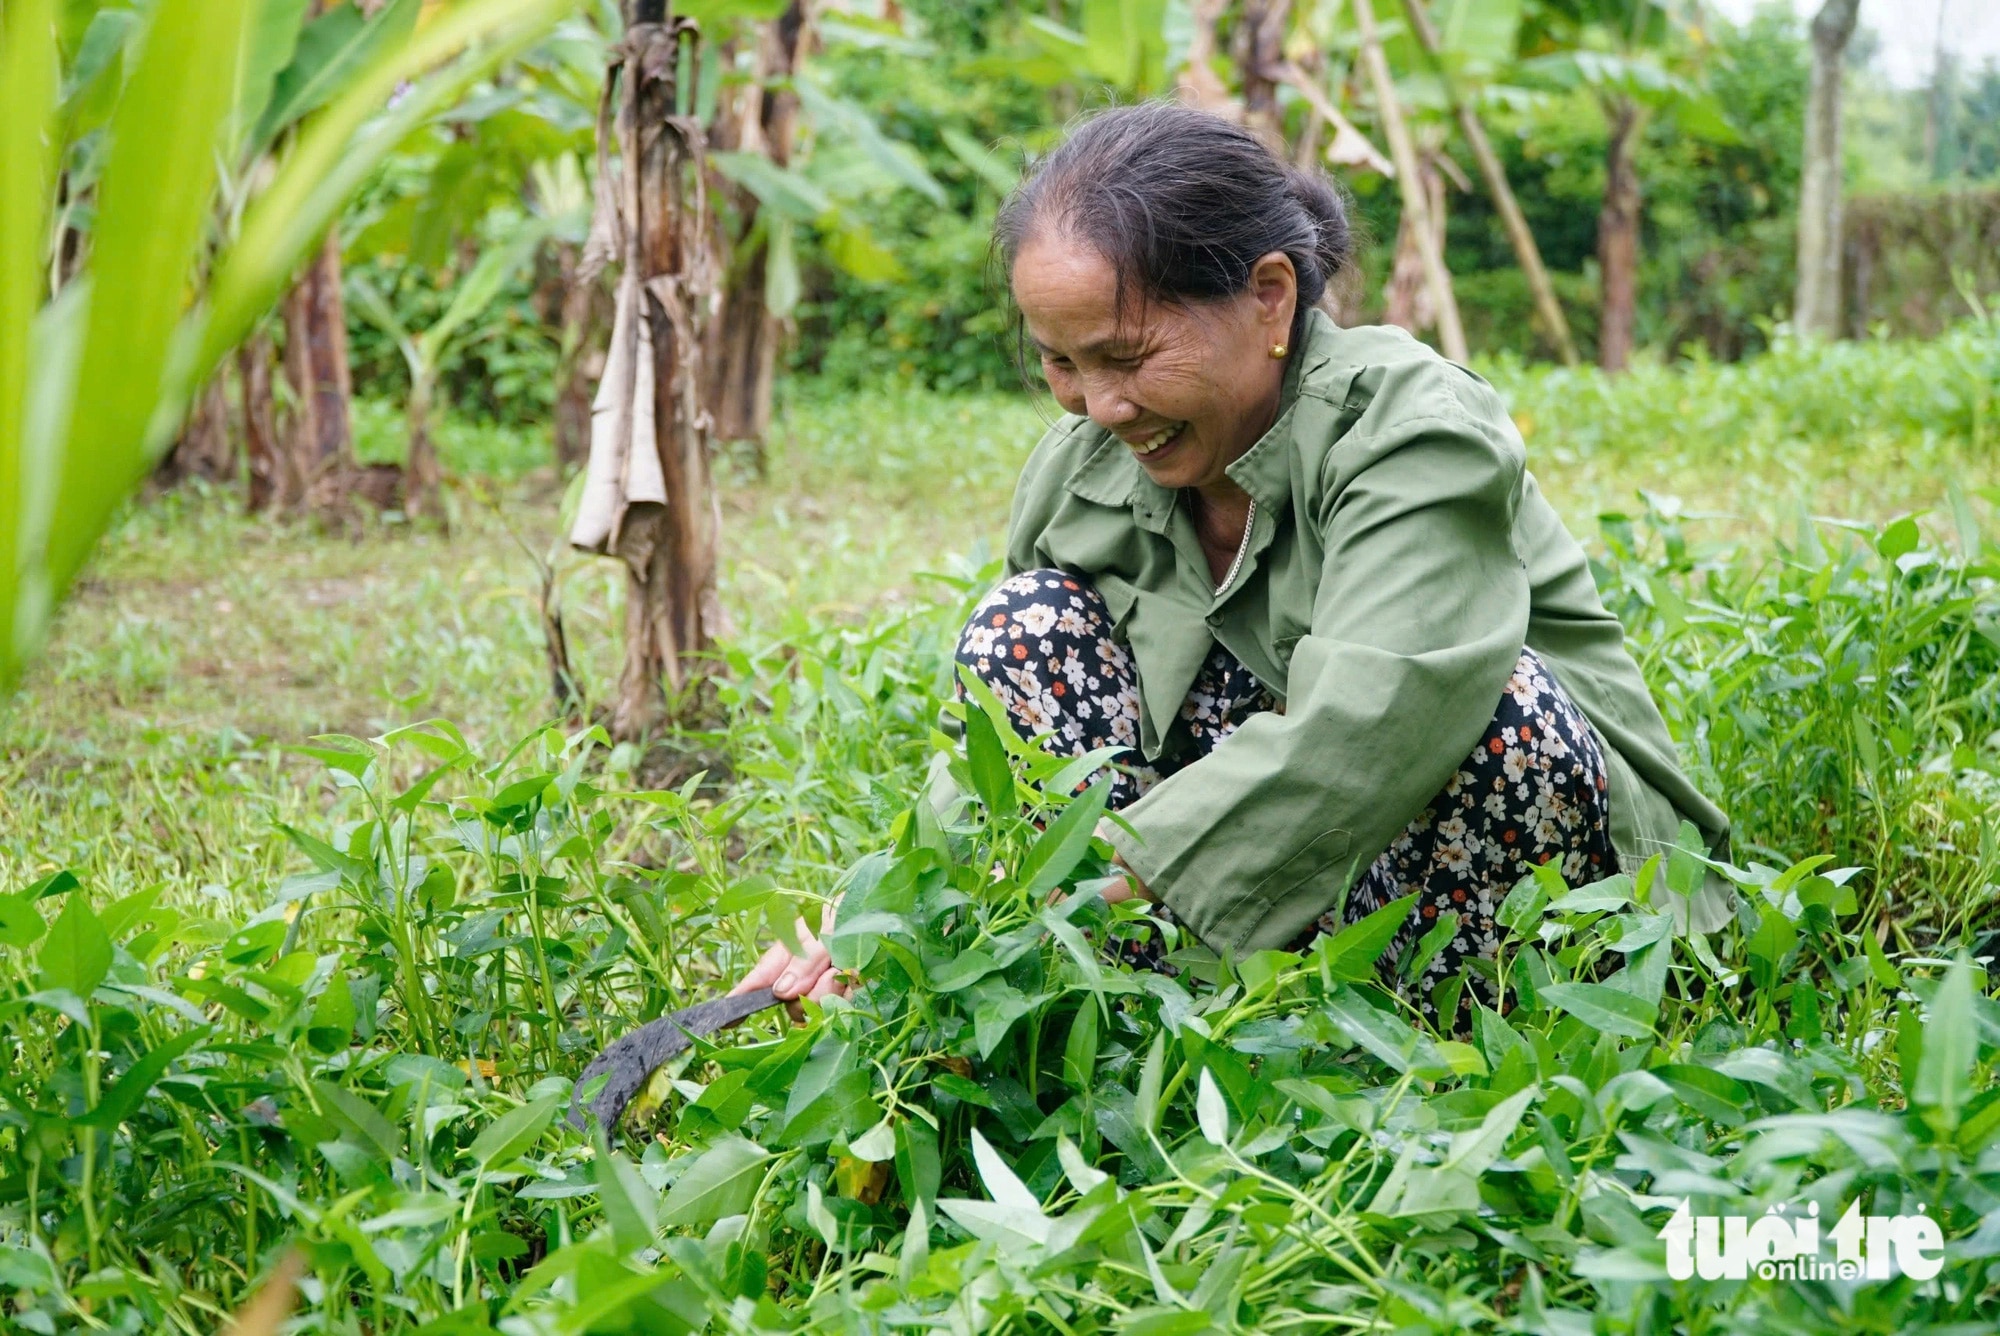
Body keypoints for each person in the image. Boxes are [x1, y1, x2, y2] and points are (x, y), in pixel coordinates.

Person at [735, 101, 1729, 1022]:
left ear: (1267, 298)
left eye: (1125, 357)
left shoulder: (1411, 432)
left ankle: (1482, 1027)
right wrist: (885, 920)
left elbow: (1370, 726)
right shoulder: (1079, 475)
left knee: (1495, 709)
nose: (1098, 405)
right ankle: (1167, 1005)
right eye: (1059, 361)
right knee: (1027, 628)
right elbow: (997, 758)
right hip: (1287, 877)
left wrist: (1083, 890)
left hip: (1550, 888)